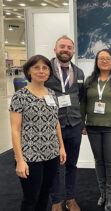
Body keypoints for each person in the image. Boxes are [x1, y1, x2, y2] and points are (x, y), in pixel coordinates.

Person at [9, 55, 67, 211]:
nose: (41, 71)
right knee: (30, 198)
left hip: (51, 154)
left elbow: (55, 122)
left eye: (45, 68)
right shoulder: (20, 97)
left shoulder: (52, 94)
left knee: (45, 194)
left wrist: (61, 147)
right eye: (36, 67)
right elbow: (15, 130)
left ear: (49, 72)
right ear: (28, 71)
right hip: (30, 156)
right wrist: (19, 160)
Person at [80, 49, 111, 211]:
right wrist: (82, 123)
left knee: (110, 161)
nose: (105, 61)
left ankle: (110, 196)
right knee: (98, 161)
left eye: (108, 58)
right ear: (97, 61)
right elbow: (82, 103)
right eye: (101, 58)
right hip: (93, 126)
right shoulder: (89, 80)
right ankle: (102, 194)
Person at [44, 35, 85, 211]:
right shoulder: (45, 70)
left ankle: (70, 198)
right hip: (53, 126)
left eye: (69, 47)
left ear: (73, 51)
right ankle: (56, 201)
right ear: (55, 49)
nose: (65, 50)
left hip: (74, 125)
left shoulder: (79, 73)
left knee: (71, 164)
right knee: (54, 166)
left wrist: (82, 122)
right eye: (62, 47)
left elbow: (81, 97)